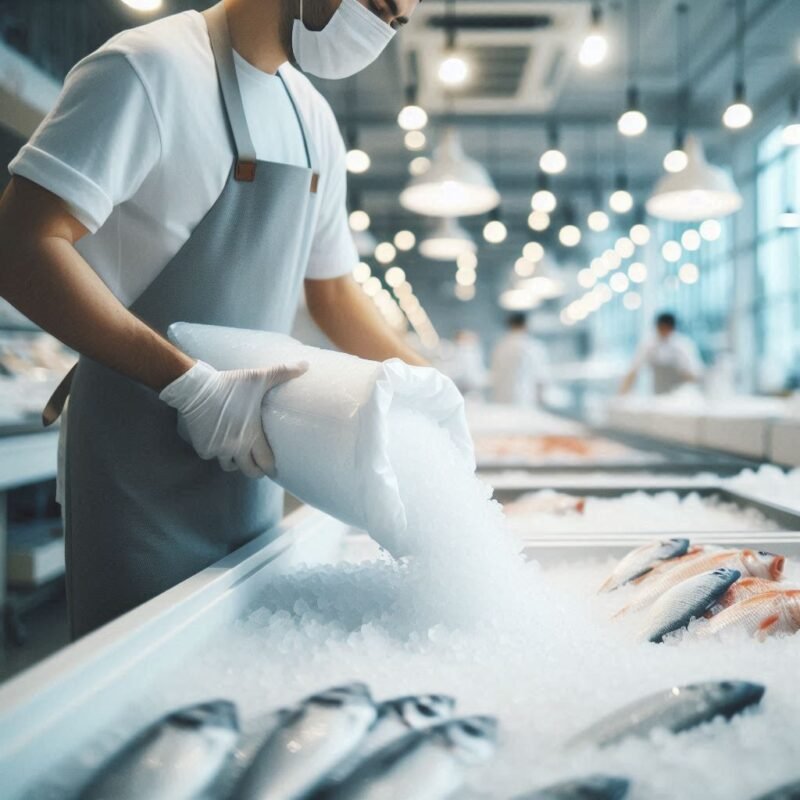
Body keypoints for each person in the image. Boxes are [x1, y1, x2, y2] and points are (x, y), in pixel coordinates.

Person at [0, 0, 423, 638]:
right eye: (377, 6)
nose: (380, 31)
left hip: (250, 462)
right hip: (132, 471)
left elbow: (333, 294)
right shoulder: (149, 70)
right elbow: (20, 246)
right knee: (139, 695)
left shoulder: (313, 122)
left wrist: (430, 390)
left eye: (396, 22)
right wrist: (189, 384)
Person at [620, 312, 703, 395]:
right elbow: (633, 371)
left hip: (680, 394)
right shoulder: (648, 344)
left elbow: (695, 375)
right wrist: (621, 394)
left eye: (666, 328)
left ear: (672, 328)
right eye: (661, 328)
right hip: (657, 393)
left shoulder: (683, 345)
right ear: (657, 327)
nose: (664, 331)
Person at [490, 313, 550, 406]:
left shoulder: (500, 347)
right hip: (525, 401)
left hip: (501, 400)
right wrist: (542, 402)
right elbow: (541, 378)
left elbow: (494, 374)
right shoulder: (532, 347)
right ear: (526, 325)